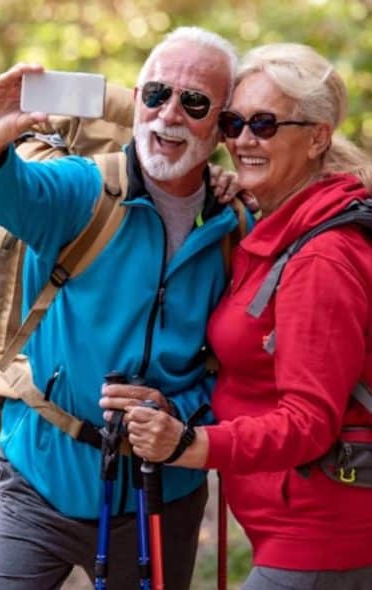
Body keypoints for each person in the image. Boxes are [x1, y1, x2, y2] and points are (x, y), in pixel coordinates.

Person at [0, 26, 242, 590]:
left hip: (160, 497)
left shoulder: (235, 227)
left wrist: (177, 411)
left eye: (194, 103)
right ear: (136, 99)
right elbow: (7, 191)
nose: (170, 115)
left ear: (222, 124)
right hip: (40, 479)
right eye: (157, 94)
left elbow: (244, 367)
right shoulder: (83, 192)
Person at [118, 43, 372, 590]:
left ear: (318, 137)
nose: (241, 140)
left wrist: (188, 446)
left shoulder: (321, 257)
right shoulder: (279, 225)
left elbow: (308, 423)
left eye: (264, 124)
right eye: (233, 122)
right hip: (296, 530)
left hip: (324, 538)